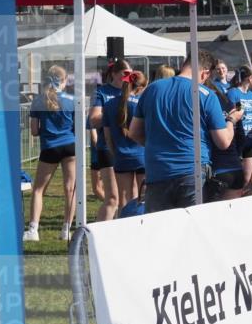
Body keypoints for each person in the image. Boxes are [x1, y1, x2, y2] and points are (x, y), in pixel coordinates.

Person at [128, 50, 234, 213]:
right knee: (192, 231)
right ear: (205, 73)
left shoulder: (152, 89)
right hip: (193, 172)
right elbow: (223, 141)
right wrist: (231, 121)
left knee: (160, 230)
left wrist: (158, 143)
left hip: (157, 170)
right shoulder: (206, 95)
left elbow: (134, 132)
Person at [24, 66, 77, 241]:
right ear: (64, 80)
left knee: (39, 190)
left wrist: (47, 131)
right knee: (70, 189)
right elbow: (77, 129)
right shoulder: (72, 100)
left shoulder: (39, 100)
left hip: (50, 147)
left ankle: (33, 229)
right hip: (70, 146)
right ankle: (66, 229)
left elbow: (33, 131)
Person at [102, 69, 147, 214]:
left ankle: (122, 226)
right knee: (145, 197)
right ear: (140, 88)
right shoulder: (142, 103)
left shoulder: (109, 104)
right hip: (142, 155)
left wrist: (115, 154)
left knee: (124, 198)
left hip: (121, 156)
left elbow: (108, 136)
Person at [90, 60, 130, 221]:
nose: (128, 78)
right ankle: (95, 241)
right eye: (124, 74)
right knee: (113, 198)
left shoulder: (133, 91)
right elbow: (93, 119)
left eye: (131, 75)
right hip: (107, 147)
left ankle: (120, 237)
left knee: (127, 199)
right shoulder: (102, 92)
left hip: (129, 148)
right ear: (114, 74)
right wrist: (114, 114)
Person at [205, 67, 246, 202]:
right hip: (235, 168)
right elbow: (241, 135)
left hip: (216, 171)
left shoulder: (203, 105)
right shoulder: (228, 104)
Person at [227, 65, 252, 190]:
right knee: (242, 180)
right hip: (238, 141)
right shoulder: (233, 93)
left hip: (251, 141)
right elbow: (234, 114)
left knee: (248, 180)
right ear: (250, 78)